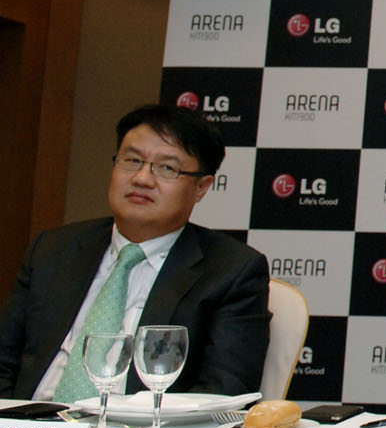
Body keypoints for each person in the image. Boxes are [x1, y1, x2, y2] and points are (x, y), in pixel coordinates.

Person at [0, 104, 270, 400]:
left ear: (201, 187)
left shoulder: (231, 271)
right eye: (132, 160)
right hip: (29, 423)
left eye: (167, 168)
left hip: (140, 426)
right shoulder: (53, 250)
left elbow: (222, 392)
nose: (142, 178)